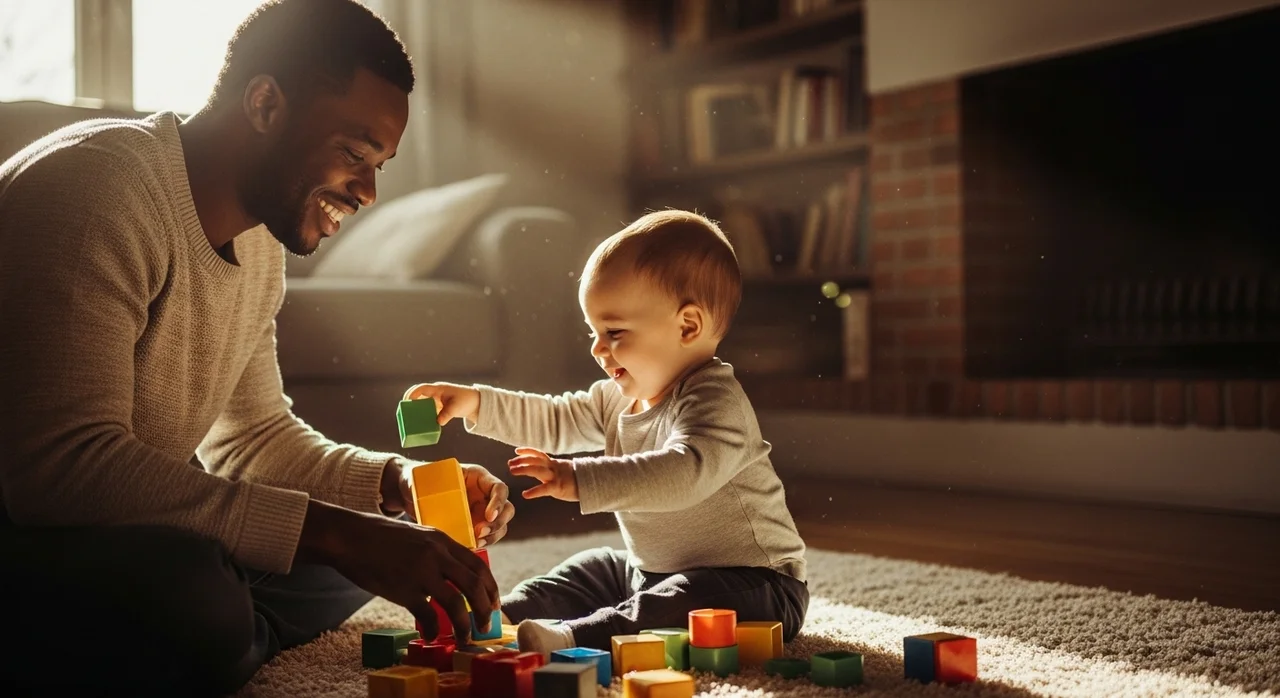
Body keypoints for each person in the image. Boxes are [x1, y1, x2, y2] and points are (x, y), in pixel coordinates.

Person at [0, 1, 514, 695]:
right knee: (202, 590)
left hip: (100, 539)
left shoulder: (261, 242)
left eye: (379, 165)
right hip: (25, 531)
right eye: (354, 153)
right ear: (266, 103)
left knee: (361, 548)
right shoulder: (95, 191)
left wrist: (398, 487)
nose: (367, 192)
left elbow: (253, 440)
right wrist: (340, 536)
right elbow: (60, 471)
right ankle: (221, 627)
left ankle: (223, 628)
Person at [404, 209, 809, 656]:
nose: (598, 349)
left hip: (757, 586)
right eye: (593, 332)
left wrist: (580, 478)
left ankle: (575, 637)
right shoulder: (615, 398)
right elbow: (555, 418)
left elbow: (684, 474)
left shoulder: (714, 401)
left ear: (688, 326)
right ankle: (499, 616)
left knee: (685, 599)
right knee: (591, 567)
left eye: (614, 331)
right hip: (649, 572)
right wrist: (475, 403)